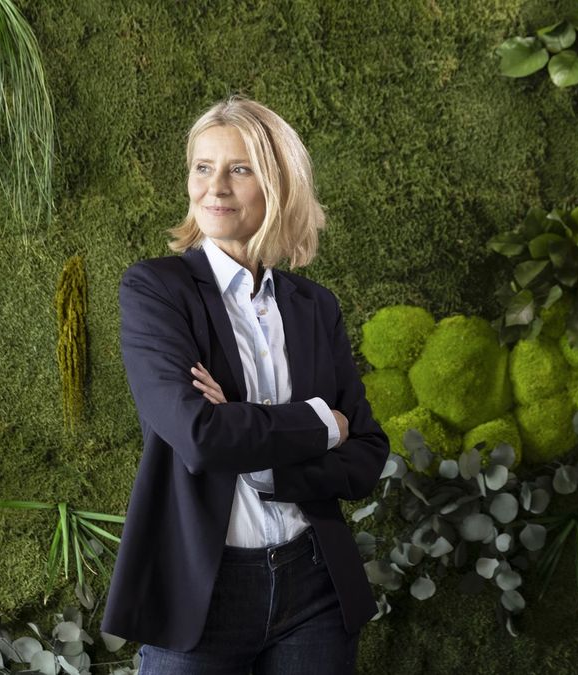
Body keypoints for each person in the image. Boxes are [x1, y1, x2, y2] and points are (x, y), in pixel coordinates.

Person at [101, 96, 390, 674]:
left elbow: (366, 455)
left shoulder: (315, 307)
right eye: (203, 167)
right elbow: (201, 435)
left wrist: (261, 456)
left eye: (239, 168)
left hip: (316, 587)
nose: (216, 188)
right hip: (202, 592)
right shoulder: (156, 292)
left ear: (279, 184)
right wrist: (317, 423)